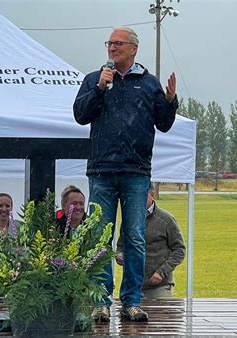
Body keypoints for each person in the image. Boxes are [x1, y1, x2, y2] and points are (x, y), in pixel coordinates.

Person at [73, 26, 178, 321]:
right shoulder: (95, 79)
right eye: (109, 43)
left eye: (118, 43)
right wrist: (99, 89)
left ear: (133, 48)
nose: (112, 48)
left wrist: (170, 102)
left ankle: (131, 301)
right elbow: (80, 115)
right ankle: (100, 301)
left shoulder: (148, 83)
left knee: (134, 237)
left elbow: (164, 123)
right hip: (102, 171)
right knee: (99, 238)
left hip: (135, 172)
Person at [116, 184, 185, 298]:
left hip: (159, 287)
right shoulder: (129, 219)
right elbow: (121, 245)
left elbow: (179, 250)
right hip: (132, 286)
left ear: (152, 195)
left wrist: (161, 272)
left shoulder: (166, 220)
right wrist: (119, 255)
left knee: (159, 316)